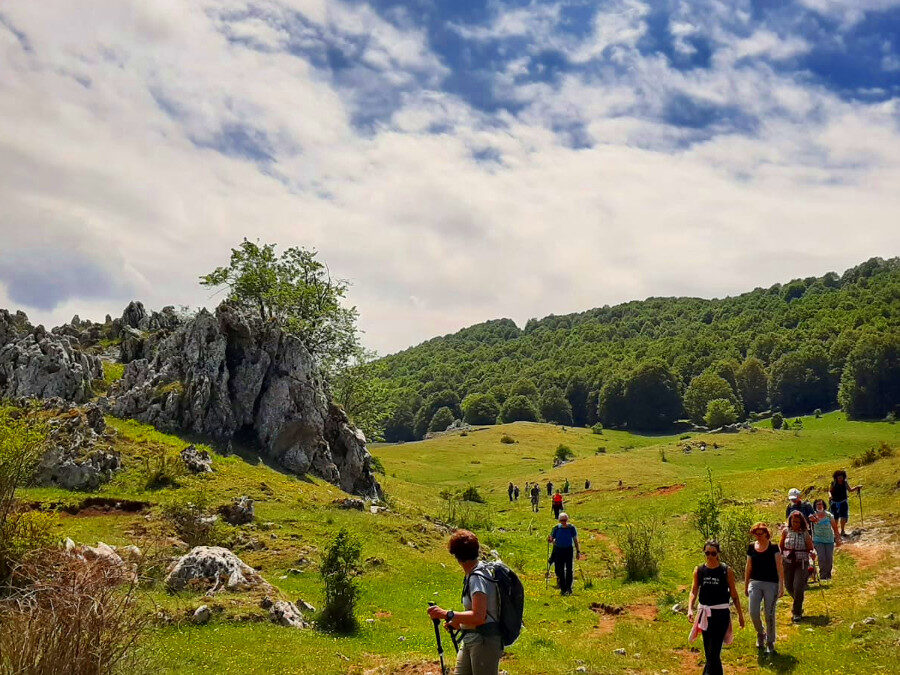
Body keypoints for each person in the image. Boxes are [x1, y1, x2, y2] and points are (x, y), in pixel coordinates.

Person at [427, 530, 502, 675]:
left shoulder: (477, 577)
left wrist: (447, 614)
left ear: (456, 556)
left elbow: (479, 616)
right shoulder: (477, 572)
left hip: (484, 641)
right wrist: (458, 622)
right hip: (471, 638)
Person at [689, 540, 745, 675]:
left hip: (721, 615)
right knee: (709, 653)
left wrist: (740, 615)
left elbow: (734, 594)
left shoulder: (726, 570)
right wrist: (690, 608)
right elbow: (694, 590)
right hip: (704, 614)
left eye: (713, 553)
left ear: (718, 554)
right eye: (707, 553)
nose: (710, 556)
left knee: (714, 653)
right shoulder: (699, 570)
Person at [744, 523, 784, 653]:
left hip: (771, 583)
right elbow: (748, 567)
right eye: (755, 534)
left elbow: (779, 567)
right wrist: (746, 585)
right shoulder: (751, 547)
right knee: (753, 611)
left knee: (769, 613)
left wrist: (781, 586)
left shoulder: (773, 547)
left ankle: (770, 641)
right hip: (755, 582)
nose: (758, 536)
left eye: (760, 533)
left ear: (766, 533)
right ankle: (761, 633)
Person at [780, 511, 816, 622]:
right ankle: (798, 602)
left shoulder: (805, 533)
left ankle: (797, 612)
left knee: (798, 586)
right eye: (793, 521)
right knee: (788, 586)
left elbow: (810, 547)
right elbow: (781, 546)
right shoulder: (786, 531)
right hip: (788, 561)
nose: (795, 523)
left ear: (801, 522)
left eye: (797, 522)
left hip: (802, 562)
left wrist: (813, 553)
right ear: (790, 521)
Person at [548, 512, 581, 595]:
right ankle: (563, 589)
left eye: (565, 520)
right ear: (559, 520)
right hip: (559, 550)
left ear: (567, 520)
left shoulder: (571, 528)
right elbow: (552, 539)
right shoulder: (556, 528)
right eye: (562, 520)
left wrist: (578, 551)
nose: (564, 522)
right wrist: (550, 540)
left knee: (569, 570)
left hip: (568, 550)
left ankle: (569, 588)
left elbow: (575, 540)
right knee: (560, 570)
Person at [811, 498, 841, 580]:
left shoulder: (829, 515)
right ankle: (823, 575)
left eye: (821, 504)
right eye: (817, 504)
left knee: (829, 558)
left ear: (824, 505)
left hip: (829, 540)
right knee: (821, 558)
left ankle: (828, 574)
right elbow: (809, 528)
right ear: (815, 506)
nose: (819, 506)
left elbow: (835, 528)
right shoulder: (813, 516)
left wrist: (838, 538)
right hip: (818, 540)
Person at [829, 470, 861, 537]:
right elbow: (829, 491)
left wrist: (857, 487)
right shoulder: (833, 483)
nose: (840, 478)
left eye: (841, 477)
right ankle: (835, 531)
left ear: (843, 477)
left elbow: (850, 490)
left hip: (843, 502)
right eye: (839, 477)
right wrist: (830, 496)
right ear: (836, 477)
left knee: (843, 517)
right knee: (835, 518)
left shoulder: (845, 483)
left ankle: (842, 530)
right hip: (834, 503)